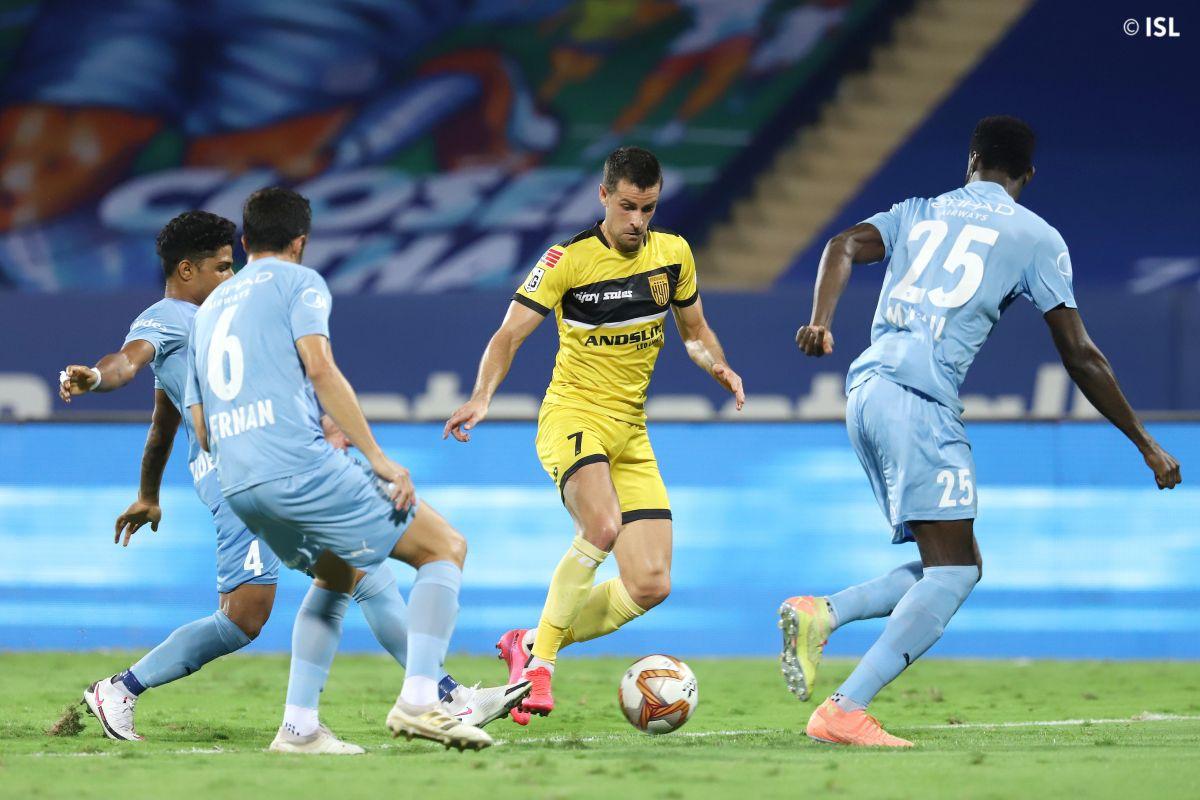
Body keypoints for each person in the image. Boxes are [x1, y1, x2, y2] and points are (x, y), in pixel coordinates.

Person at [782, 115, 1182, 747]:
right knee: (955, 573)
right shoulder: (1036, 236)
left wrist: (820, 321)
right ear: (1027, 175)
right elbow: (1080, 354)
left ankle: (824, 613)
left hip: (864, 393)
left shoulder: (916, 210)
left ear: (971, 162)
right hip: (920, 398)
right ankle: (844, 707)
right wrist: (1146, 441)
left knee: (954, 564)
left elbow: (840, 246)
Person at [184, 188, 517, 751]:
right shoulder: (300, 282)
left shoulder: (208, 309)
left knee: (337, 575)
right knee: (444, 548)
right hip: (297, 469)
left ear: (244, 243)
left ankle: (298, 727)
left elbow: (201, 426)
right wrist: (380, 461)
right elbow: (320, 367)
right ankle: (421, 700)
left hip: (240, 484)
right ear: (301, 241)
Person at [444, 146, 745, 723]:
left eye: (649, 209)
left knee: (651, 583)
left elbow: (696, 330)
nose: (637, 221)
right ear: (604, 196)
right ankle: (541, 668)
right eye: (628, 206)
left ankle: (528, 642)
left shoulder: (674, 254)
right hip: (572, 417)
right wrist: (482, 396)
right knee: (602, 527)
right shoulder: (567, 259)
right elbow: (509, 335)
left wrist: (717, 365)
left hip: (630, 432)